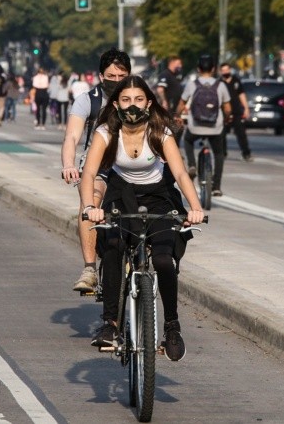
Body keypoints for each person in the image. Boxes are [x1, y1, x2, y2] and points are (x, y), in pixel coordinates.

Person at [81, 75, 204, 361]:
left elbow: (181, 173)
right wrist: (90, 206)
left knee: (163, 259)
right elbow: (89, 173)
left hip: (159, 197)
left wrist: (195, 208)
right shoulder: (106, 133)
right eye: (125, 100)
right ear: (116, 103)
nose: (132, 106)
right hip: (120, 194)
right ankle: (110, 324)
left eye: (138, 100)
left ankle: (172, 326)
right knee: (113, 246)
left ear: (148, 102)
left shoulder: (159, 132)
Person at [62, 48, 131, 293]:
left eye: (121, 76)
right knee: (89, 202)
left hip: (132, 167)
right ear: (101, 76)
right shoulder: (88, 100)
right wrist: (69, 164)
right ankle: (90, 268)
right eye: (110, 76)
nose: (115, 81)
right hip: (98, 167)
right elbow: (71, 137)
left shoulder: (139, 97)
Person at [176, 54, 232, 196]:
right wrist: (226, 119)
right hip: (215, 127)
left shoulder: (192, 84)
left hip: (196, 127)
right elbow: (227, 108)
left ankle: (192, 165)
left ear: (198, 69)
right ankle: (217, 186)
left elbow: (182, 103)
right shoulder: (221, 85)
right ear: (213, 69)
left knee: (187, 141)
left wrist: (177, 116)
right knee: (219, 154)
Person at [219, 63, 252, 161]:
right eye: (223, 70)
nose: (225, 72)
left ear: (230, 70)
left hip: (236, 111)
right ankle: (222, 153)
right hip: (223, 112)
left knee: (241, 133)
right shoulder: (219, 83)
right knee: (221, 134)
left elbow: (241, 95)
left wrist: (246, 108)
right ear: (221, 72)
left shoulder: (236, 81)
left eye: (227, 70)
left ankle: (246, 153)